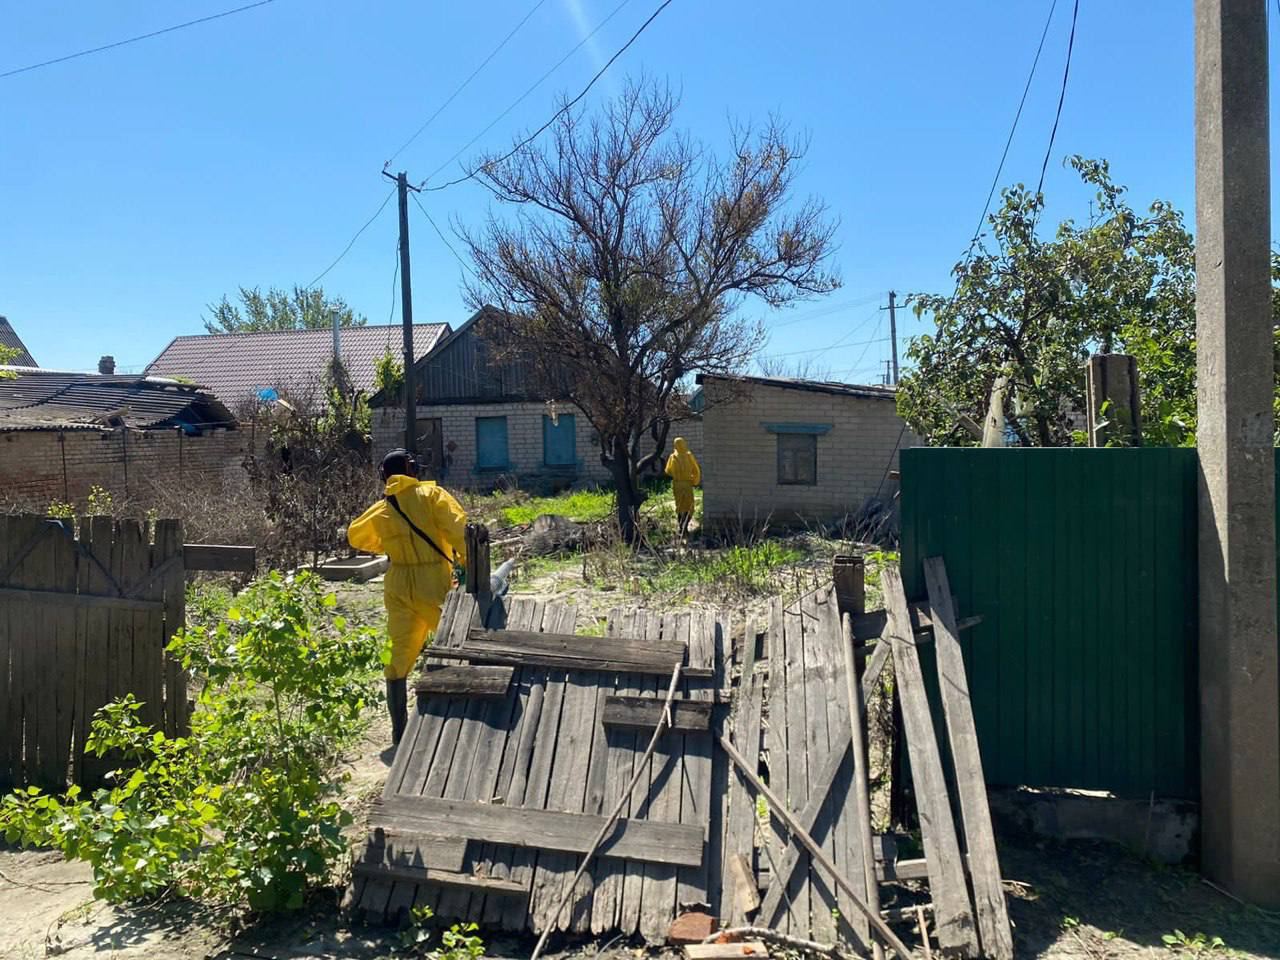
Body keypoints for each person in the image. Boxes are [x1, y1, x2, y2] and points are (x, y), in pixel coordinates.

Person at [348, 449, 467, 746]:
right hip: (434, 580)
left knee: (398, 656)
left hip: (398, 582)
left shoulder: (383, 508)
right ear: (412, 469)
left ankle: (399, 733)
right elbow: (460, 532)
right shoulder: (432, 496)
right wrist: (467, 563)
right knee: (456, 644)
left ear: (384, 475)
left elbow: (356, 534)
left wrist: (389, 545)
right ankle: (456, 723)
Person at [664, 436, 702, 539]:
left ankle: (682, 528)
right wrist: (695, 480)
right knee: (690, 506)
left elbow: (667, 471)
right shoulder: (689, 456)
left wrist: (676, 474)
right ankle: (685, 527)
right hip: (687, 484)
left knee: (679, 506)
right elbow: (696, 470)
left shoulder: (672, 457)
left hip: (677, 484)